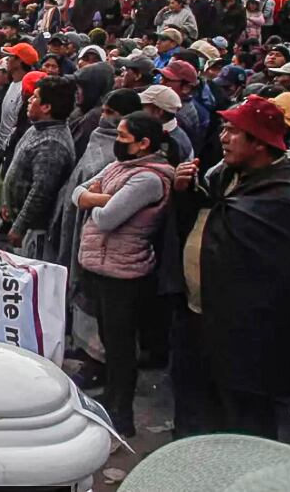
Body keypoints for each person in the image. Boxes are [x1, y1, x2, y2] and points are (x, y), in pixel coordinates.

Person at [171, 95, 290, 439]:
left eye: (234, 131)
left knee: (242, 422)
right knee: (197, 408)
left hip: (245, 337)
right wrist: (185, 193)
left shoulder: (288, 197)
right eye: (223, 128)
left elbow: (277, 278)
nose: (223, 137)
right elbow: (203, 223)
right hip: (199, 318)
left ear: (260, 143)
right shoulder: (226, 177)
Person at [74, 112, 175, 438]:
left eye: (123, 138)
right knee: (108, 338)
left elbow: (106, 219)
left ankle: (122, 412)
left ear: (144, 143)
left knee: (120, 347)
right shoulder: (123, 167)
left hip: (124, 272)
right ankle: (112, 397)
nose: (117, 143)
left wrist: (96, 200)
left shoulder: (148, 178)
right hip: (99, 266)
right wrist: (99, 198)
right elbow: (79, 192)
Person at [4, 75, 77, 256]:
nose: (29, 100)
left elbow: (41, 192)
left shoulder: (52, 143)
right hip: (23, 223)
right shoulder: (39, 127)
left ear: (46, 107)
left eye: (35, 97)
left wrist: (20, 226)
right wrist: (9, 203)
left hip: (35, 231)